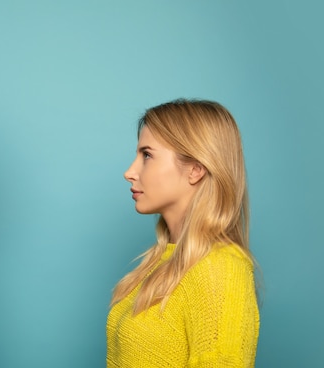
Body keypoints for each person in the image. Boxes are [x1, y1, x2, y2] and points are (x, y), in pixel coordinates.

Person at [107, 99, 260, 367]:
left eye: (147, 155)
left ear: (195, 169)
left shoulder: (220, 269)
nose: (130, 172)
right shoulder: (162, 260)